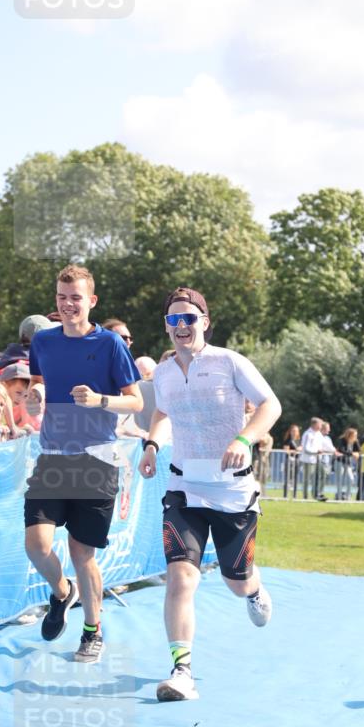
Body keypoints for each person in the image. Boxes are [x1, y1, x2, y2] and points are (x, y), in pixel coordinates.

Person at [138, 286, 281, 703]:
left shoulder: (229, 362)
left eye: (189, 319)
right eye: (173, 320)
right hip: (184, 487)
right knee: (182, 576)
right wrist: (151, 444)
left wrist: (244, 437)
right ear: (166, 326)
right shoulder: (163, 373)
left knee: (236, 582)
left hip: (233, 491)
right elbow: (162, 413)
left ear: (205, 322)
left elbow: (270, 404)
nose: (181, 327)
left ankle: (254, 589)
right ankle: (182, 671)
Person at [24, 264, 142, 664]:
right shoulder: (42, 341)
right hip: (52, 457)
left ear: (91, 301)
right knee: (37, 547)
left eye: (76, 297)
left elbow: (136, 401)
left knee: (81, 553)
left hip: (97, 460)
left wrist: (100, 400)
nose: (68, 303)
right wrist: (35, 395)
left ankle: (92, 631)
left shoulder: (111, 344)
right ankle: (62, 592)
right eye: (62, 297)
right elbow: (39, 382)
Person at [0, 361, 42, 432]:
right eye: (18, 393)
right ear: (4, 386)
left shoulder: (24, 407)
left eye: (25, 395)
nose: (21, 398)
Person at [300, 417, 324, 498]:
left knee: (320, 477)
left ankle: (316, 494)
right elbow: (306, 448)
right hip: (308, 460)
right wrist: (316, 452)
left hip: (317, 460)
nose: (321, 426)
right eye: (320, 424)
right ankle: (305, 496)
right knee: (307, 479)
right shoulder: (308, 434)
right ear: (315, 424)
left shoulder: (319, 434)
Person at [337, 427, 360, 500]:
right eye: (354, 435)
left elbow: (359, 450)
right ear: (349, 435)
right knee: (340, 480)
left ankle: (348, 496)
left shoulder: (355, 441)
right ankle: (339, 496)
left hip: (348, 463)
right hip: (340, 461)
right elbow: (341, 450)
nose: (355, 437)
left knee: (351, 478)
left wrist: (357, 453)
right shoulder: (342, 440)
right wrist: (352, 454)